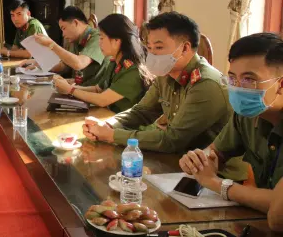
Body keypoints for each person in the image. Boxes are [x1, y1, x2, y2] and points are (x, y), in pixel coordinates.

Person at [83, 13, 241, 164]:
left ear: (185, 48)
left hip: (215, 172)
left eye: (158, 48)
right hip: (178, 161)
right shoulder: (166, 74)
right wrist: (108, 125)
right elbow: (142, 112)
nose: (152, 55)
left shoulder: (205, 84)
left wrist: (112, 135)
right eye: (149, 48)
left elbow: (172, 140)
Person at [179, 33, 283, 214]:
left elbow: (278, 206)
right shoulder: (247, 114)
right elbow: (216, 152)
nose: (237, 88)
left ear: (280, 85)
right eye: (232, 79)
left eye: (249, 80)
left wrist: (217, 184)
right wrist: (199, 161)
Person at [52, 14, 152, 113]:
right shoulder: (114, 63)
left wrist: (70, 90)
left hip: (125, 122)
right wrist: (68, 87)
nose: (99, 43)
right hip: (109, 115)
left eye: (102, 38)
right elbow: (97, 89)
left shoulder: (133, 71)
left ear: (116, 41)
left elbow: (102, 100)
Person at [22, 6, 105, 86]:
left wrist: (51, 44)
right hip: (76, 87)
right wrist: (40, 64)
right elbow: (63, 66)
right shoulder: (76, 40)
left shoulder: (98, 38)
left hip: (92, 92)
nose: (63, 34)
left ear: (75, 23)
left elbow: (79, 64)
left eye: (64, 28)